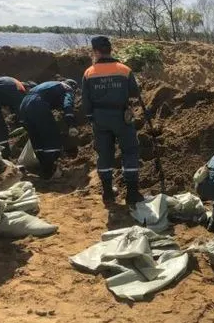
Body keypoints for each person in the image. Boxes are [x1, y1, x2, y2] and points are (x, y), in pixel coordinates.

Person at [82, 36, 144, 206]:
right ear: (110, 50)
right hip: (121, 116)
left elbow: (85, 100)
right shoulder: (124, 70)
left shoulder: (89, 73)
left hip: (100, 118)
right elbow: (134, 93)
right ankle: (132, 193)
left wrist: (90, 117)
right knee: (130, 151)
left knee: (104, 154)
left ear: (95, 51)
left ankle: (108, 193)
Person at [19, 79, 78, 180]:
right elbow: (67, 104)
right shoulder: (67, 89)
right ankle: (51, 170)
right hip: (37, 104)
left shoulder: (51, 85)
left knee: (37, 138)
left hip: (23, 105)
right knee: (51, 137)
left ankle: (44, 169)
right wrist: (71, 124)